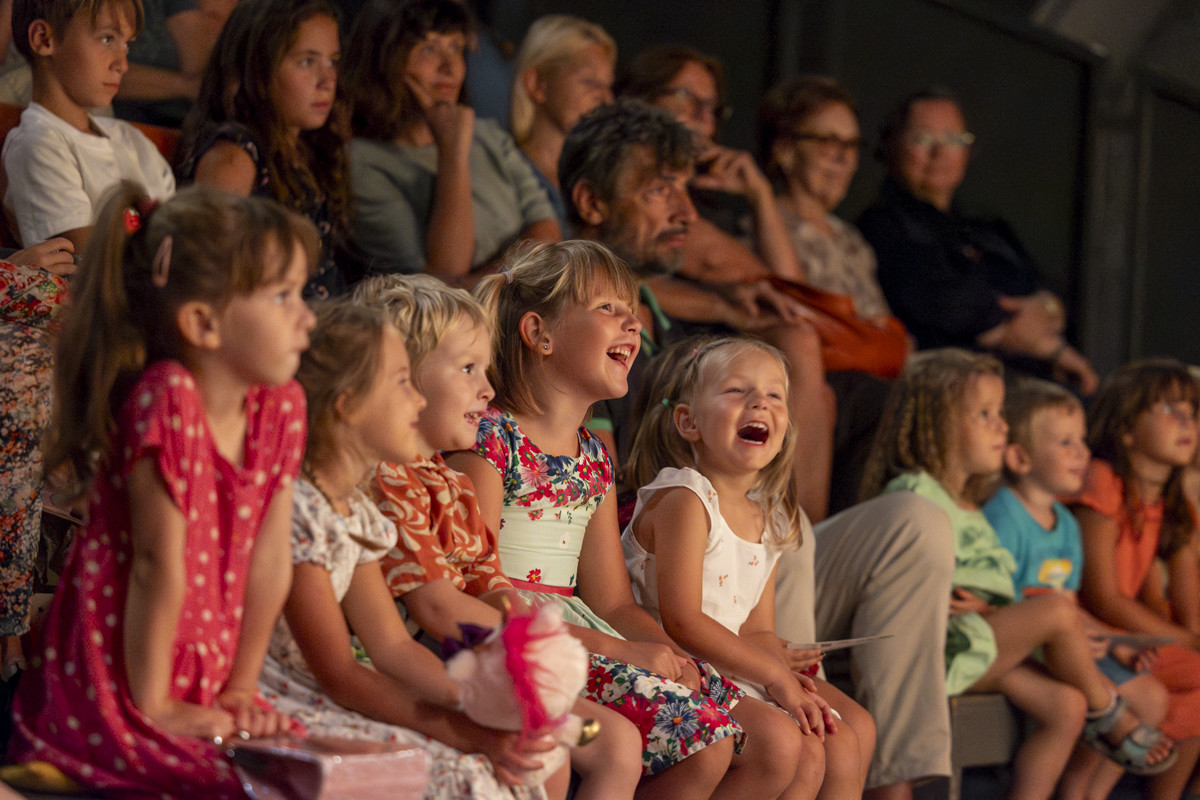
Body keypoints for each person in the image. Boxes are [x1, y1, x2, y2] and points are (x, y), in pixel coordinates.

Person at [8, 182, 313, 796]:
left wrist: (240, 689)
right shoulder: (168, 396)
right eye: (282, 296)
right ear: (202, 322)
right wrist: (154, 705)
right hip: (124, 663)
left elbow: (271, 556)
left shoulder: (283, 406)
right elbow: (154, 564)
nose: (307, 316)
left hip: (211, 659)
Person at [447, 240, 758, 799]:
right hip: (519, 638)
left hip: (585, 629)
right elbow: (479, 590)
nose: (632, 323)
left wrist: (671, 656)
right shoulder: (490, 441)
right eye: (607, 308)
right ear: (539, 333)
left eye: (632, 309)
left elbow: (612, 601)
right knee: (698, 740)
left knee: (753, 734)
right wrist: (622, 651)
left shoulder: (594, 458)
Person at [355, 273, 643, 800]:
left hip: (476, 650)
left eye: (485, 369)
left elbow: (492, 585)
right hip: (427, 661)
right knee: (555, 751)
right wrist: (534, 658)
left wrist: (535, 658)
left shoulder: (449, 481)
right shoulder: (388, 480)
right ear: (403, 378)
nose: (488, 389)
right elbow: (438, 609)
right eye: (468, 369)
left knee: (611, 742)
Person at [264, 297, 556, 799]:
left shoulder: (354, 514)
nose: (418, 401)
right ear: (348, 404)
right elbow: (338, 673)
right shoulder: (300, 511)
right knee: (465, 776)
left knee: (513, 770)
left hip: (325, 691)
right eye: (402, 383)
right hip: (284, 694)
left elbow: (393, 646)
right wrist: (467, 730)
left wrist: (477, 699)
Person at [861, 348, 1176, 800]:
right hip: (941, 649)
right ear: (938, 424)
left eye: (1000, 413)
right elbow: (912, 588)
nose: (1001, 425)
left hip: (985, 644)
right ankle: (1108, 711)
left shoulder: (970, 506)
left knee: (1066, 705)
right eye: (985, 414)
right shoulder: (915, 496)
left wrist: (1109, 642)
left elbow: (999, 593)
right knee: (1055, 612)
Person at [622, 335, 873, 800]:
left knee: (849, 732)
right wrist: (775, 678)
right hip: (679, 662)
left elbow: (757, 630)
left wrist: (789, 679)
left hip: (732, 663)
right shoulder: (685, 498)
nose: (759, 401)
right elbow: (682, 620)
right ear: (688, 422)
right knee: (794, 747)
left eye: (775, 395)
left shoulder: (771, 517)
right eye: (736, 390)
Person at [561, 99, 834, 521]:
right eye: (658, 190)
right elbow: (604, 512)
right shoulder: (574, 329)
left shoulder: (668, 324)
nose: (686, 213)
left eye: (685, 189)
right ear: (592, 202)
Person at [982, 378, 1176, 800]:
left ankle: (1087, 793)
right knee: (1073, 704)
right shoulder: (1004, 516)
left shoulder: (1066, 524)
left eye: (1083, 441)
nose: (1083, 453)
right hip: (1018, 650)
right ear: (1019, 456)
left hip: (1063, 647)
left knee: (1154, 699)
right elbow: (997, 602)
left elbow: (1068, 604)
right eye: (1065, 443)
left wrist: (1112, 642)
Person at [856, 88, 1098, 395]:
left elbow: (1046, 287)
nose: (941, 152)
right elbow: (943, 302)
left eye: (954, 140)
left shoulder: (987, 227)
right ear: (890, 145)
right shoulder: (882, 225)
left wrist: (1047, 308)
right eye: (924, 138)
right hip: (950, 387)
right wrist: (1044, 344)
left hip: (1028, 380)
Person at [341, 0, 559, 284]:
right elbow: (443, 280)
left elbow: (547, 227)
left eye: (455, 47)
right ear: (384, 60)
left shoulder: (487, 134)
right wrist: (453, 153)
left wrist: (492, 280)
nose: (449, 67)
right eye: (428, 48)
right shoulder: (362, 162)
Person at [1073, 358, 1200, 800]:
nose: (1186, 422)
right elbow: (1103, 596)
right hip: (1087, 635)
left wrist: (1190, 636)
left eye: (1192, 412)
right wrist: (1187, 641)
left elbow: (1187, 613)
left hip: (1125, 636)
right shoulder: (1104, 480)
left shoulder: (1167, 502)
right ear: (1127, 429)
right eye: (1169, 409)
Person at [178, 0, 348, 298]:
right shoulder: (234, 157)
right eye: (307, 61)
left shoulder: (308, 149)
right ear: (256, 69)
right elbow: (209, 271)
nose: (328, 80)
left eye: (332, 61)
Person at [616, 44, 803, 285]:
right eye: (685, 97)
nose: (704, 118)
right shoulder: (621, 180)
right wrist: (723, 310)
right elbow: (713, 262)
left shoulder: (714, 199)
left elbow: (796, 293)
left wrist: (761, 194)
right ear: (640, 99)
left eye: (712, 107)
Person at [4, 0, 174, 252]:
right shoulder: (38, 145)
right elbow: (93, 258)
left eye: (126, 44)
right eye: (107, 39)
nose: (122, 64)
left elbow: (183, 233)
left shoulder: (131, 139)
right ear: (43, 39)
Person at [760, 75, 890, 323]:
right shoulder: (763, 229)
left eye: (851, 145)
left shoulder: (850, 239)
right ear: (784, 149)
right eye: (828, 142)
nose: (843, 159)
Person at [509, 13, 614, 230]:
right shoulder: (502, 174)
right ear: (537, 83)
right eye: (589, 81)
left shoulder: (602, 180)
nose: (606, 98)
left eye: (608, 85)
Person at [112, 0, 235, 128]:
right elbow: (109, 75)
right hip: (128, 122)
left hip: (184, 122)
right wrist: (187, 86)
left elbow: (199, 74)